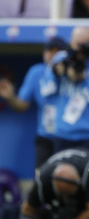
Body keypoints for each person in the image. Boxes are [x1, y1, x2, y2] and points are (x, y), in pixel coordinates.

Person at [0, 37, 67, 169]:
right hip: (45, 137)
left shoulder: (72, 73)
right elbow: (22, 105)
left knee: (67, 180)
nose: (52, 55)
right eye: (49, 50)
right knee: (42, 179)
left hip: (69, 137)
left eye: (57, 51)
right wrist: (11, 97)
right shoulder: (36, 72)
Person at [20, 148, 89, 219]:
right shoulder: (42, 180)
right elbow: (27, 210)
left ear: (78, 180)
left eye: (69, 194)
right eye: (64, 195)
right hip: (57, 210)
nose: (68, 198)